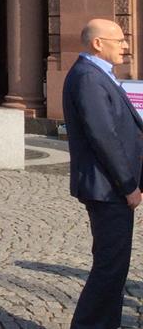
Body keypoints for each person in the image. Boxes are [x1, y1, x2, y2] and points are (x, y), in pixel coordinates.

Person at [63, 18, 143, 328]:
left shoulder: (100, 76)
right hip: (107, 188)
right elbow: (103, 136)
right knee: (109, 267)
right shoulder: (88, 77)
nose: (125, 45)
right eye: (119, 40)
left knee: (115, 265)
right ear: (98, 44)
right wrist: (128, 186)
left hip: (110, 187)